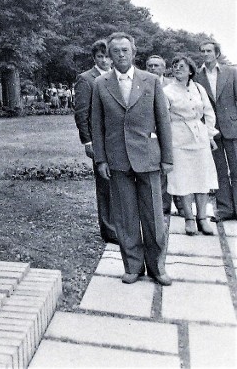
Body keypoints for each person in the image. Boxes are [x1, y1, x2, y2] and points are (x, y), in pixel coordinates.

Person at [91, 32, 173, 286]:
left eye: (126, 50)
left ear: (134, 53)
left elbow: (163, 121)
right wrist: (101, 160)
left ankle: (157, 267)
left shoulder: (150, 81)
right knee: (126, 216)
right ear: (110, 55)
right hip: (117, 159)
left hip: (148, 157)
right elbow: (97, 125)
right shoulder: (101, 84)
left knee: (154, 217)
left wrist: (167, 157)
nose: (121, 55)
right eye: (116, 51)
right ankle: (133, 266)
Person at [163, 56, 217, 236]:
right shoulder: (167, 91)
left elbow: (209, 113)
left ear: (190, 71)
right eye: (174, 66)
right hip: (178, 138)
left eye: (181, 66)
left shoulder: (199, 88)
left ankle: (202, 218)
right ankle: (189, 219)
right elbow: (163, 118)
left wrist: (209, 135)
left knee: (202, 178)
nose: (177, 68)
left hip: (199, 137)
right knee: (183, 179)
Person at [73, 40, 118, 244]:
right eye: (101, 56)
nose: (105, 60)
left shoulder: (116, 77)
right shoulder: (86, 79)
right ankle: (109, 230)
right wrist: (87, 141)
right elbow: (81, 113)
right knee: (105, 184)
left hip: (117, 138)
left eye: (108, 56)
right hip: (99, 139)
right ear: (95, 58)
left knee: (119, 183)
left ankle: (121, 224)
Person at [195, 40, 237, 223]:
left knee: (236, 169)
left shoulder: (232, 72)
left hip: (232, 127)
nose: (205, 54)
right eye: (203, 51)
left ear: (217, 53)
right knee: (218, 170)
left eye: (209, 51)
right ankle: (225, 209)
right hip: (210, 130)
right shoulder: (197, 75)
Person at [146, 54, 184, 219]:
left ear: (164, 67)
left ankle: (182, 205)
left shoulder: (172, 84)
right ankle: (163, 206)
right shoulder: (142, 82)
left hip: (174, 130)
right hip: (152, 131)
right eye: (150, 66)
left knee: (177, 167)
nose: (153, 68)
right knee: (159, 169)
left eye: (156, 65)